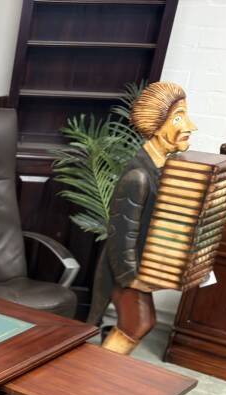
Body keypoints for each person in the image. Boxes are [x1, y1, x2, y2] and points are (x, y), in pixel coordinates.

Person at [89, 82, 197, 354]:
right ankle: (96, 375)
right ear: (157, 125)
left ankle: (100, 370)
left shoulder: (165, 170)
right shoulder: (137, 177)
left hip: (142, 266)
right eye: (178, 117)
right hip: (123, 270)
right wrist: (131, 277)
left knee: (139, 322)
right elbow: (120, 235)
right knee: (139, 321)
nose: (189, 126)